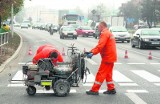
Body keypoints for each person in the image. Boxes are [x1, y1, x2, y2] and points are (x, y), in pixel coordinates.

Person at [86, 21, 117, 95]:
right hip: (111, 57)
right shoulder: (108, 33)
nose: (98, 28)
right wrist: (91, 51)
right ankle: (111, 88)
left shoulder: (104, 34)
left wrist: (92, 53)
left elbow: (100, 46)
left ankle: (94, 90)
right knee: (108, 74)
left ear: (102, 26)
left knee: (101, 73)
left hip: (107, 57)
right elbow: (101, 46)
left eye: (98, 27)